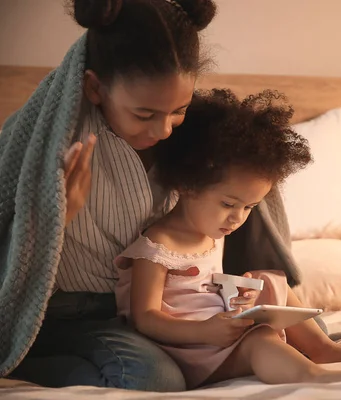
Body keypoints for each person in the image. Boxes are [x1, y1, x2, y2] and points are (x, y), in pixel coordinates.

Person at [114, 89, 341, 388]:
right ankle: (314, 376)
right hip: (189, 348)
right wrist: (204, 332)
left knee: (272, 282)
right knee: (260, 337)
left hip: (216, 330)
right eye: (228, 204)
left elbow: (200, 291)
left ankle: (323, 348)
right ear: (188, 184)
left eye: (249, 207)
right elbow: (145, 318)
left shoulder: (211, 232)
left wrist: (235, 295)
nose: (237, 218)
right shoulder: (157, 245)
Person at [6, 0, 218, 391]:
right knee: (153, 377)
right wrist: (58, 215)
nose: (166, 128)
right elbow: (11, 247)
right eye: (144, 114)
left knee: (288, 332)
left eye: (179, 110)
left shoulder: (193, 142)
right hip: (67, 316)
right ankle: (19, 365)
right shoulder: (50, 141)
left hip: (156, 308)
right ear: (94, 87)